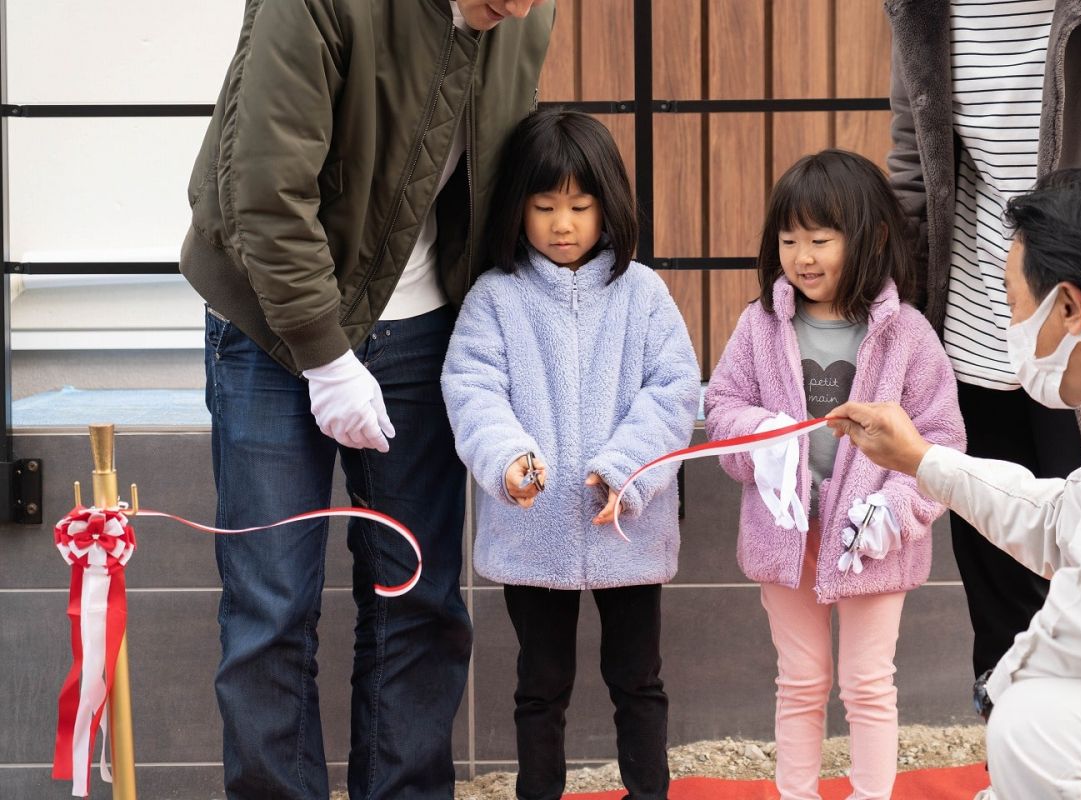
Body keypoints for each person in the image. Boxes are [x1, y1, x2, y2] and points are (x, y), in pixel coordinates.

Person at [178, 2, 553, 797]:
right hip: (272, 326)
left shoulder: (524, 9)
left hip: (421, 330)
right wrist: (326, 355)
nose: (525, 6)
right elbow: (265, 190)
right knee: (271, 608)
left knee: (419, 599)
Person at [830, 169, 1081, 799]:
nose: (1008, 325)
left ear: (1068, 307)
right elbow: (1062, 518)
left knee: (1032, 727)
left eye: (1010, 301)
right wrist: (920, 459)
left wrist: (1005, 686)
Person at [886, 0, 1081, 679]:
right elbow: (913, 160)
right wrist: (892, 321)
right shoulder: (920, 8)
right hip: (975, 327)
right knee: (999, 599)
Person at [441, 110, 701, 800]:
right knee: (541, 684)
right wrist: (509, 460)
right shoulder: (496, 298)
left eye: (580, 206)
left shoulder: (642, 294)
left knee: (638, 679)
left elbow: (674, 391)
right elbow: (474, 391)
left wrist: (625, 470)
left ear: (606, 203)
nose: (563, 223)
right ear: (517, 207)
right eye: (545, 205)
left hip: (626, 522)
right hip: (537, 526)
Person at [704, 150, 966, 800]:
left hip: (874, 540)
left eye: (820, 239)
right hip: (787, 539)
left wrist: (896, 512)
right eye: (789, 239)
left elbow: (941, 443)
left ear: (872, 237)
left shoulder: (906, 335)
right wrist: (756, 436)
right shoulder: (760, 325)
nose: (802, 255)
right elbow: (722, 409)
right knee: (800, 680)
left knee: (869, 683)